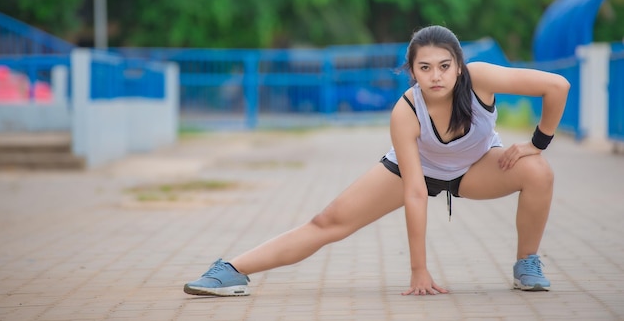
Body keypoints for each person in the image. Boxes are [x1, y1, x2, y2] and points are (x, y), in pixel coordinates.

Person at [183, 25, 570, 296]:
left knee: (538, 171)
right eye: (424, 68)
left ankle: (527, 264)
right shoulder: (406, 111)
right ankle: (231, 270)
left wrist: (537, 143)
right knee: (327, 221)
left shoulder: (481, 78)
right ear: (412, 71)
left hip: (475, 169)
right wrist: (419, 269)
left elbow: (557, 86)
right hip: (414, 170)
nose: (436, 76)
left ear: (458, 64)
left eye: (444, 66)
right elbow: (415, 192)